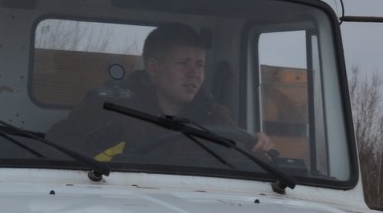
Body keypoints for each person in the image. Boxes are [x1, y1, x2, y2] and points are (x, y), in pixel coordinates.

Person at [48, 22, 273, 162]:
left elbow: (236, 164)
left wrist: (256, 152)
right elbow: (55, 151)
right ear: (154, 68)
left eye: (200, 65)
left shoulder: (216, 116)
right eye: (183, 63)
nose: (194, 73)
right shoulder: (109, 109)